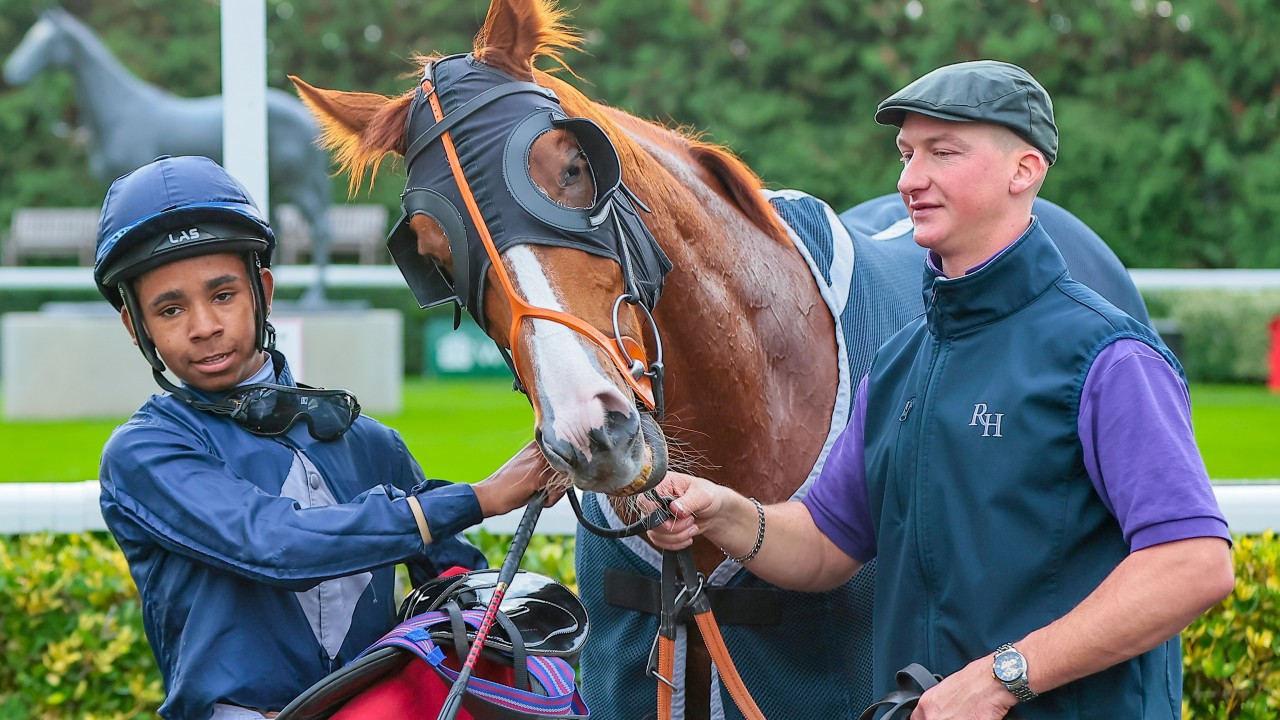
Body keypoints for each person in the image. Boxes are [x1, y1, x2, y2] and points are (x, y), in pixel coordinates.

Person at [648, 61, 1234, 719]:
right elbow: (824, 544)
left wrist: (1001, 679)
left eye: (942, 153)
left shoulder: (1108, 356)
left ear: (1025, 171)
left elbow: (1192, 562)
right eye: (905, 154)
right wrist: (723, 511)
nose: (909, 180)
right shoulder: (903, 361)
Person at [94, 155, 554, 720]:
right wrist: (477, 498)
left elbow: (459, 592)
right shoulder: (145, 453)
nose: (204, 326)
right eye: (170, 309)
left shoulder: (371, 443)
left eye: (222, 295)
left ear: (262, 289)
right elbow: (274, 542)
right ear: (134, 326)